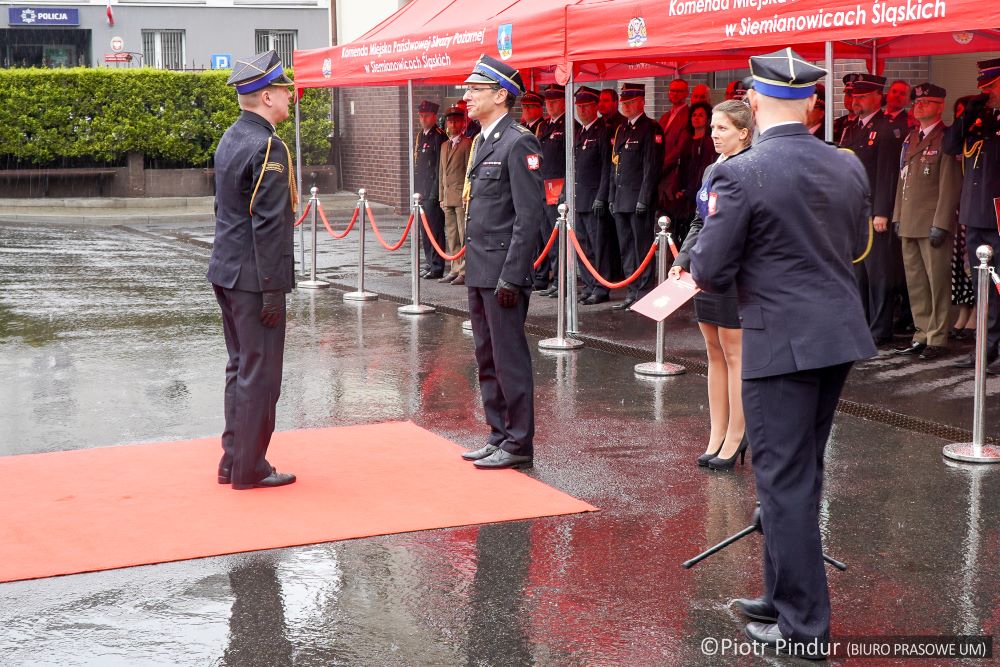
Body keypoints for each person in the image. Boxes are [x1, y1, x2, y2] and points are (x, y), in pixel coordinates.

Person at [689, 47, 875, 657]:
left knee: (784, 478)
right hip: (836, 333)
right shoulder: (846, 162)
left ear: (753, 98)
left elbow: (711, 268)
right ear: (810, 102)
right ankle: (781, 596)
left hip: (781, 338)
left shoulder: (739, 172)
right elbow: (850, 245)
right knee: (799, 473)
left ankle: (804, 630)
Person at [206, 50, 299, 490]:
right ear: (265, 96)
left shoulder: (232, 136)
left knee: (240, 367)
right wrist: (272, 290)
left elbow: (225, 208)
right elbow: (269, 225)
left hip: (227, 271)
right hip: (253, 278)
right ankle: (249, 467)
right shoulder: (267, 145)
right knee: (260, 374)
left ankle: (232, 460)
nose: (288, 95)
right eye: (283, 89)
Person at [459, 55, 545, 470]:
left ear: (500, 94)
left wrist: (512, 275)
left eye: (475, 89)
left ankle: (518, 443)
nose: (467, 95)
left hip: (503, 274)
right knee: (486, 356)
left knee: (509, 358)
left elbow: (529, 216)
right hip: (480, 269)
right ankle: (498, 434)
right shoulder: (484, 140)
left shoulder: (518, 141)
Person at [669, 99, 752, 470]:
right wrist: (682, 262)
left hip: (734, 273)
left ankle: (737, 435)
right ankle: (717, 433)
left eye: (724, 129)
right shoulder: (710, 171)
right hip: (704, 272)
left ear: (743, 133)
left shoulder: (748, 170)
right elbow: (700, 222)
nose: (715, 135)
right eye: (714, 128)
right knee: (713, 353)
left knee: (735, 355)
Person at [891, 83, 962, 361]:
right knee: (917, 282)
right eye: (917, 103)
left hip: (932, 222)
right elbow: (902, 180)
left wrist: (942, 223)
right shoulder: (911, 138)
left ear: (939, 106)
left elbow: (950, 185)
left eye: (926, 102)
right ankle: (921, 333)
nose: (918, 106)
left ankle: (938, 336)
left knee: (937, 282)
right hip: (909, 220)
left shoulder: (946, 138)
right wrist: (897, 215)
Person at [841, 72, 906, 346]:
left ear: (878, 97)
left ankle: (880, 328)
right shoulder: (851, 127)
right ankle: (861, 323)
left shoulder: (885, 129)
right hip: (852, 210)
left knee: (878, 271)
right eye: (855, 96)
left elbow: (886, 174)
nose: (857, 101)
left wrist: (882, 211)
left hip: (872, 212)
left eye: (863, 96)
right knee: (857, 272)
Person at [944, 58, 1000, 371]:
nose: (986, 93)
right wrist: (967, 116)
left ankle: (995, 348)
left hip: (997, 216)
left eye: (990, 87)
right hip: (974, 213)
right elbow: (950, 147)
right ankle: (984, 349)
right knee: (982, 286)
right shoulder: (980, 118)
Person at [609, 82, 664, 311]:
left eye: (630, 102)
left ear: (641, 101)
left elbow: (651, 167)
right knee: (627, 248)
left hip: (638, 200)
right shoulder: (622, 129)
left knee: (642, 248)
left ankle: (643, 291)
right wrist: (612, 196)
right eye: (624, 102)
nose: (626, 106)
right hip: (621, 198)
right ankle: (631, 290)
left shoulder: (651, 128)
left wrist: (644, 198)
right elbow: (615, 166)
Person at [534, 83, 580, 297]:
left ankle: (563, 280)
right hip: (543, 187)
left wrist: (566, 189)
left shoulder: (569, 126)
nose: (550, 106)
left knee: (559, 237)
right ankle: (555, 278)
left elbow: (571, 161)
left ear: (563, 101)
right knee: (547, 236)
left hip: (558, 189)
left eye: (554, 102)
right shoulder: (543, 127)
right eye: (548, 102)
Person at [572, 86, 612, 305]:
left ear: (596, 107)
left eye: (586, 106)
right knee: (583, 246)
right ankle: (588, 284)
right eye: (579, 106)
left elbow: (607, 167)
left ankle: (600, 286)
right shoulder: (581, 132)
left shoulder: (602, 131)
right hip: (580, 198)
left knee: (598, 246)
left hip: (594, 197)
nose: (582, 110)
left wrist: (601, 196)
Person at [949, 95, 976, 341]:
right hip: (961, 205)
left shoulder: (981, 133)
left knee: (976, 265)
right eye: (958, 112)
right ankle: (963, 312)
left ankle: (977, 313)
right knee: (959, 265)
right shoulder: (958, 136)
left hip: (979, 206)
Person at [439, 105, 472, 286]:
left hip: (461, 196)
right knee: (451, 234)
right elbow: (441, 173)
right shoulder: (444, 145)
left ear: (462, 123)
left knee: (463, 232)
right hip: (448, 196)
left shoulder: (467, 143)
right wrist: (441, 196)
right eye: (450, 121)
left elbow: (469, 171)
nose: (452, 124)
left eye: (456, 121)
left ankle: (465, 270)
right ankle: (454, 267)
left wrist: (468, 194)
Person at [414, 100, 448, 280]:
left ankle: (437, 266)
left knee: (435, 229)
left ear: (434, 116)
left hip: (432, 191)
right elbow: (417, 165)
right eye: (421, 116)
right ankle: (429, 262)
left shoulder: (439, 136)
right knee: (424, 230)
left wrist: (435, 193)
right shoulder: (421, 136)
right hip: (421, 191)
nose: (423, 119)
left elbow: (438, 168)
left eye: (426, 115)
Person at [674, 101, 718, 240]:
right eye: (694, 115)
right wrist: (679, 188)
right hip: (685, 194)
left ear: (707, 119)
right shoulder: (687, 140)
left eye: (700, 115)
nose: (696, 118)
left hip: (701, 190)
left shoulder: (710, 142)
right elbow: (681, 167)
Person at [658, 78, 690, 219]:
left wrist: (659, 167)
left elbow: (680, 148)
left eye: (679, 91)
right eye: (672, 90)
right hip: (661, 180)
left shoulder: (688, 115)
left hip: (674, 177)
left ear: (686, 93)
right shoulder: (665, 117)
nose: (675, 94)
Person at [833, 74, 858, 144]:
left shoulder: (864, 123)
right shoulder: (837, 123)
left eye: (854, 96)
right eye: (847, 95)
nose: (850, 100)